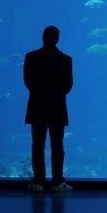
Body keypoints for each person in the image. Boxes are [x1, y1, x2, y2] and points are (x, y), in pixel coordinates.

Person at [23, 25, 73, 192]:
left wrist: (40, 93)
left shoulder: (31, 57)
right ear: (58, 39)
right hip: (57, 107)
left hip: (37, 106)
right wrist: (55, 95)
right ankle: (58, 182)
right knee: (57, 146)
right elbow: (68, 85)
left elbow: (28, 82)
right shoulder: (66, 59)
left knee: (38, 144)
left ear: (42, 37)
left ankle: (38, 182)